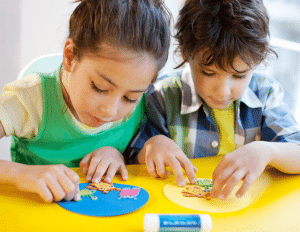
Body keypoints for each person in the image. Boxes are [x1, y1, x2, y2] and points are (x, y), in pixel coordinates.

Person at [125, 0, 300, 200]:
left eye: (239, 75)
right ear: (186, 53)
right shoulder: (162, 95)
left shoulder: (265, 94)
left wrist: (267, 151)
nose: (222, 91)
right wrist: (151, 146)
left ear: (257, 60)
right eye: (209, 72)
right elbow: (130, 158)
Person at [0, 0, 171, 203]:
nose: (109, 111)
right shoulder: (29, 98)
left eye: (129, 98)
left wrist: (118, 154)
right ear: (70, 56)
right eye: (100, 88)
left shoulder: (145, 101)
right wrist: (20, 174)